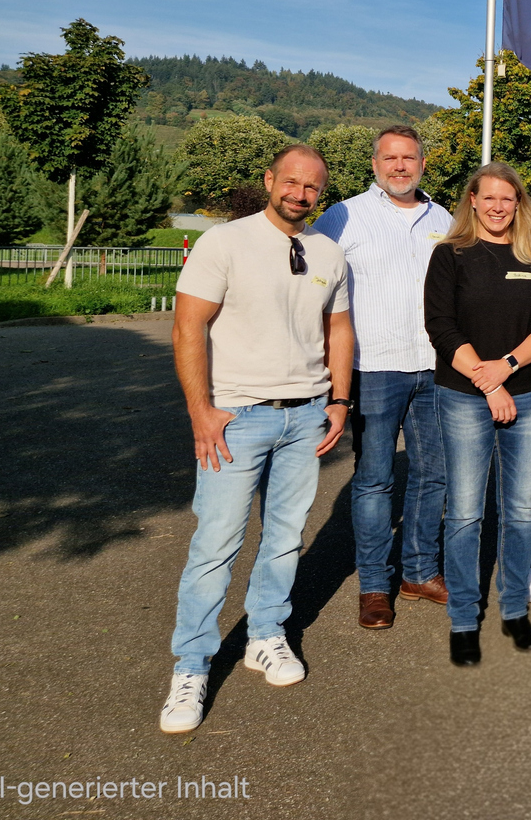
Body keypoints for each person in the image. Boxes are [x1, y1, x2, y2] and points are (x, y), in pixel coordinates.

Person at [159, 145, 353, 734]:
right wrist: (201, 410)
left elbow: (338, 327)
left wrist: (339, 399)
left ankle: (266, 635)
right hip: (237, 417)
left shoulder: (327, 252)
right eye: (290, 182)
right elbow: (188, 324)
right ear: (270, 180)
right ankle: (191, 666)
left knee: (286, 536)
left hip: (306, 415)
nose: (299, 194)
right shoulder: (225, 242)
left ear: (321, 193)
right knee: (216, 542)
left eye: (312, 187)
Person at [424, 163, 531, 667]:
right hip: (463, 396)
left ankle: (511, 609)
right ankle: (464, 617)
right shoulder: (450, 255)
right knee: (465, 510)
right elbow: (440, 326)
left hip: (526, 394)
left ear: (519, 203)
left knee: (521, 509)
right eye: (490, 198)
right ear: (473, 200)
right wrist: (488, 384)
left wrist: (505, 368)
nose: (499, 206)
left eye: (509, 198)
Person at [313, 125, 452, 630]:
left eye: (408, 158)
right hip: (372, 368)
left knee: (433, 475)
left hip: (436, 369)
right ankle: (374, 585)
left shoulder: (444, 219)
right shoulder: (344, 216)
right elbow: (313, 287)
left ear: (422, 164)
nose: (399, 166)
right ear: (374, 164)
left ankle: (419, 573)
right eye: (390, 158)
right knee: (374, 482)